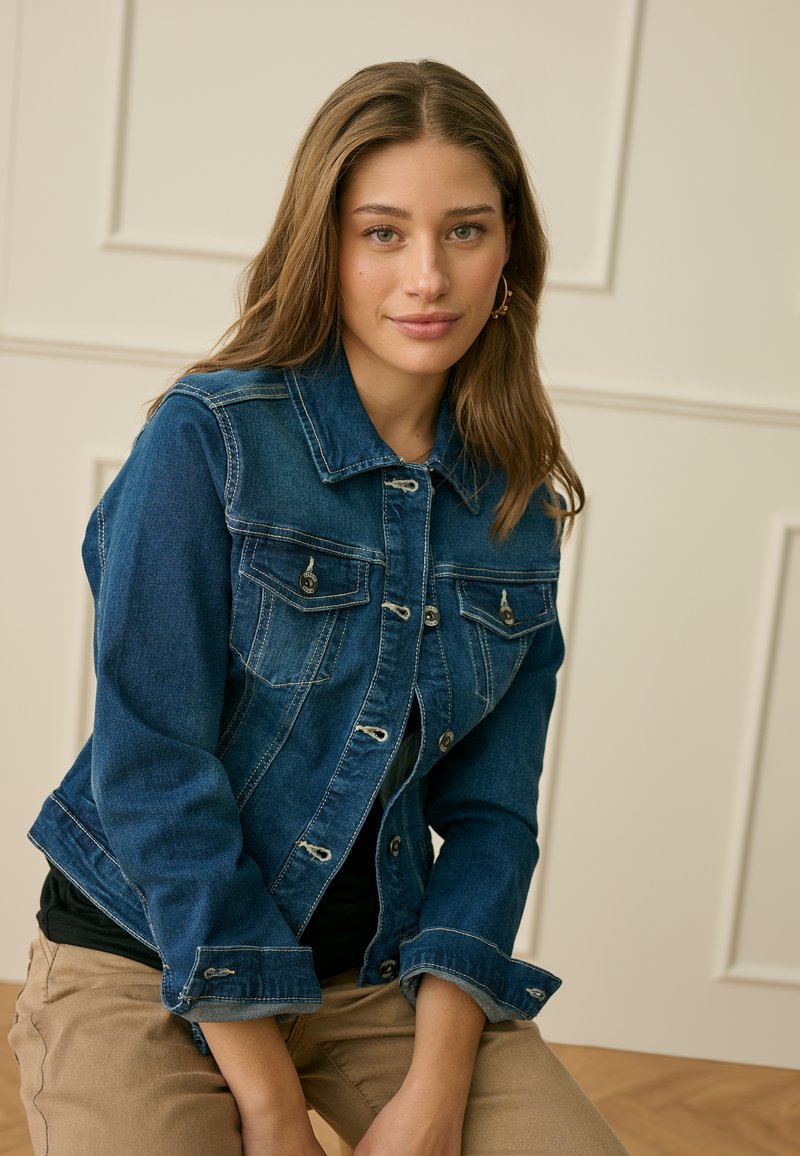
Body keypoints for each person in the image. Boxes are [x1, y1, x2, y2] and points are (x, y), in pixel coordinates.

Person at [10, 60, 627, 1155]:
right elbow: (154, 770)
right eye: (381, 232)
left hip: (372, 970)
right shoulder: (208, 441)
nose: (426, 277)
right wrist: (268, 1103)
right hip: (148, 953)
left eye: (465, 231)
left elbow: (490, 821)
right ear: (324, 246)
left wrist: (436, 1091)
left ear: (510, 256)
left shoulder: (516, 503)